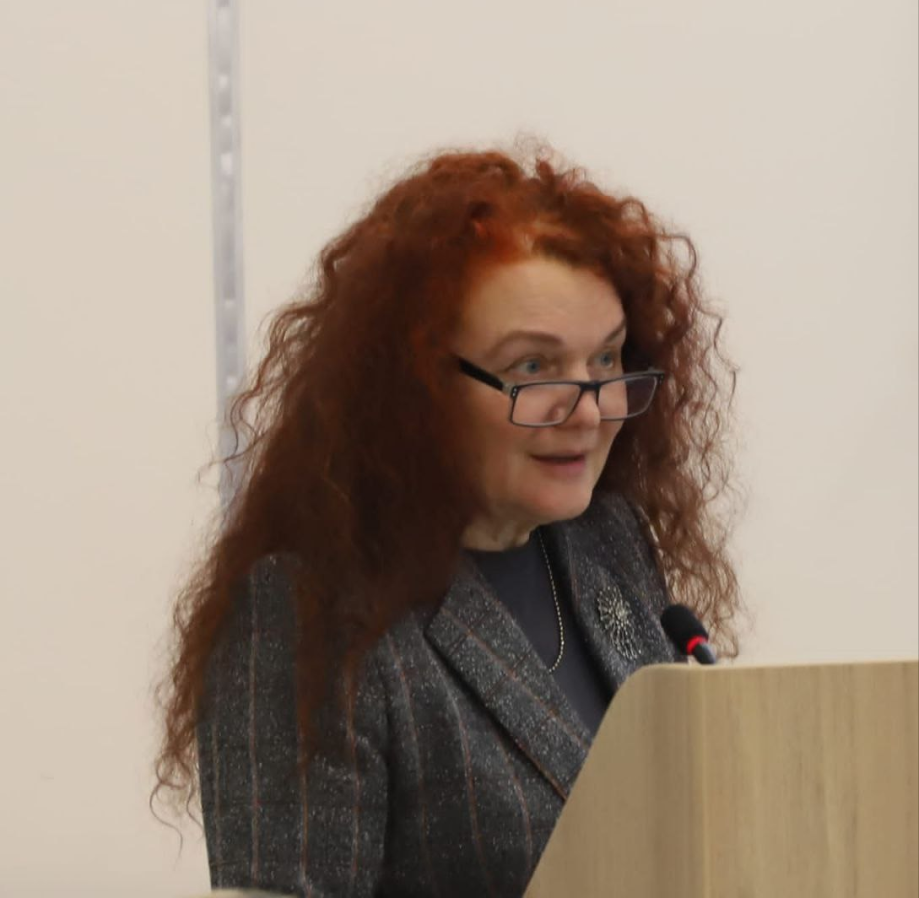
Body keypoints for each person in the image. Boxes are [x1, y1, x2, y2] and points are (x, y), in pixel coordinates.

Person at [151, 143, 743, 897]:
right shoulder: (311, 617)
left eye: (606, 360)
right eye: (533, 368)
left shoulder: (607, 542)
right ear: (418, 387)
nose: (589, 412)